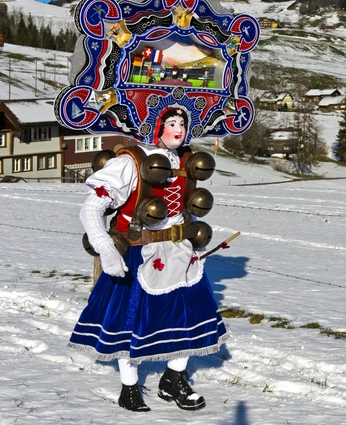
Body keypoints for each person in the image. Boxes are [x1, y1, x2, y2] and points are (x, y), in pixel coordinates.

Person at [69, 106, 227, 412]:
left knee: (189, 316)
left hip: (180, 250)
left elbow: (185, 205)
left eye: (183, 123)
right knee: (132, 321)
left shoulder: (186, 158)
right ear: (155, 126)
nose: (178, 129)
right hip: (140, 252)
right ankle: (129, 388)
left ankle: (173, 378)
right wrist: (105, 247)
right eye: (171, 123)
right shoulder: (130, 162)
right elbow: (90, 209)